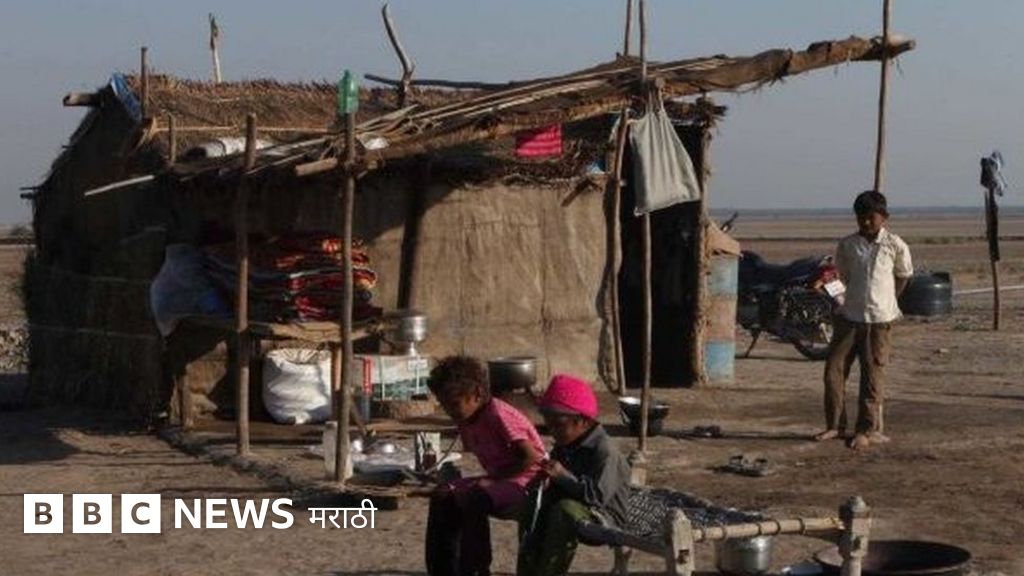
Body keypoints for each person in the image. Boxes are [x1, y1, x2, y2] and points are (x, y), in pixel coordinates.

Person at [425, 355, 545, 576]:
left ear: (477, 394)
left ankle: (476, 569)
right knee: (442, 495)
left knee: (476, 498)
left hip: (530, 481)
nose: (449, 411)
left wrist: (492, 480)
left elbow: (531, 457)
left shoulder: (499, 414)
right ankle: (443, 569)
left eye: (454, 404)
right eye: (444, 405)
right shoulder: (468, 419)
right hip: (503, 479)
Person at [815, 190, 913, 450]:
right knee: (834, 370)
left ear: (884, 217)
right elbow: (841, 277)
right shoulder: (848, 245)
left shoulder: (895, 245)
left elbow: (903, 275)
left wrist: (889, 300)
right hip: (849, 317)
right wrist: (838, 296)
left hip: (879, 320)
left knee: (872, 376)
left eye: (871, 217)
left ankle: (865, 429)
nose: (866, 222)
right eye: (861, 218)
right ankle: (835, 425)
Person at [516, 374, 631, 576]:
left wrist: (562, 476)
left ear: (583, 422)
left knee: (564, 510)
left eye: (558, 425)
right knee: (532, 502)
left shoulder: (605, 452)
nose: (552, 431)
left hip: (604, 518)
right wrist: (543, 482)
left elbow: (597, 497)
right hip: (572, 509)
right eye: (549, 424)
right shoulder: (566, 444)